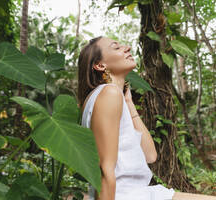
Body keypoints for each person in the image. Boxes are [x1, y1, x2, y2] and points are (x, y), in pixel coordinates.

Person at [77, 36, 216, 200]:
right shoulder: (108, 94)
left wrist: (129, 102)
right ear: (100, 65)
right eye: (116, 47)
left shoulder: (110, 96)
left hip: (142, 192)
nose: (126, 47)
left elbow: (150, 155)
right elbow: (105, 170)